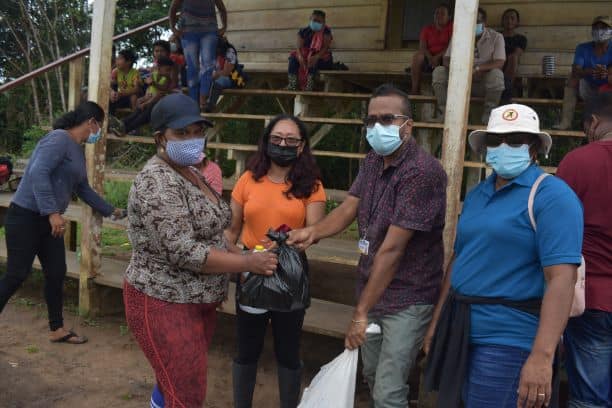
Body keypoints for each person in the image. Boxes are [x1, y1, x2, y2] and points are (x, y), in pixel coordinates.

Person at [288, 84, 447, 407]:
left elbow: (392, 250)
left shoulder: (422, 172)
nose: (377, 127)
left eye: (387, 119)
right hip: (373, 290)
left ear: (408, 125)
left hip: (408, 296)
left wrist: (360, 313)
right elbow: (349, 207)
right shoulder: (374, 159)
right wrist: (314, 232)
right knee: (374, 376)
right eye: (371, 120)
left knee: (388, 390)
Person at [423, 104, 584, 408]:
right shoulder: (478, 194)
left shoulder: (552, 196)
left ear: (535, 148)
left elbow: (562, 278)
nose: (503, 147)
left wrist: (542, 356)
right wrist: (436, 325)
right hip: (460, 331)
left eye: (516, 140)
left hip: (509, 339)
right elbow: (459, 259)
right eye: (495, 141)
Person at [123, 93, 278, 408]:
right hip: (164, 300)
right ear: (160, 138)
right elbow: (184, 251)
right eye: (182, 133)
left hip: (195, 299)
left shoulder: (191, 171)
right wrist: (247, 262)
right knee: (186, 394)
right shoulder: (157, 182)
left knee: (172, 383)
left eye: (197, 131)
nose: (193, 139)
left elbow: (214, 234)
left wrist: (237, 262)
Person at [0, 102, 125, 344]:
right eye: (100, 126)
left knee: (56, 272)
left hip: (48, 222)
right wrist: (53, 212)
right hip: (26, 217)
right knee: (16, 275)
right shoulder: (58, 139)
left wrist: (111, 210)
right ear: (91, 122)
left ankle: (56, 329)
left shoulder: (76, 151)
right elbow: (38, 173)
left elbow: (82, 189)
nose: (99, 132)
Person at [225, 114, 327, 408]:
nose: (283, 144)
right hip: (251, 270)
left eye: (291, 140)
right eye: (277, 139)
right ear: (267, 141)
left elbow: (314, 231)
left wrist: (291, 238)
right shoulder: (248, 179)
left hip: (290, 275)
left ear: (301, 146)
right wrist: (239, 261)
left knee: (288, 351)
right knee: (247, 349)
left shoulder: (311, 185)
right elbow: (231, 230)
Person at [556, 93, 612, 408]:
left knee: (590, 399)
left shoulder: (578, 161)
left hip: (592, 297)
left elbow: (556, 231)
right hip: (594, 298)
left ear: (593, 123)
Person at [432, 7, 506, 124]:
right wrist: (458, 70)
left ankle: (488, 116)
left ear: (484, 23)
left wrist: (477, 69)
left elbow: (500, 62)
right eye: (471, 21)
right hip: (459, 84)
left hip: (482, 84)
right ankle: (445, 113)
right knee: (439, 72)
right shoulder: (459, 35)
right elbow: (446, 59)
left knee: (497, 75)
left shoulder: (496, 37)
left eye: (477, 22)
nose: (473, 24)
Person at [555, 16, 612, 130]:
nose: (599, 31)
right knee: (572, 78)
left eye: (604, 28)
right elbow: (576, 70)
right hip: (588, 87)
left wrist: (607, 73)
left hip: (608, 89)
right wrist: (593, 71)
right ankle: (565, 122)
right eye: (596, 28)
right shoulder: (583, 48)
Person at [169, 0, 228, 110]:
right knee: (192, 68)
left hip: (209, 31)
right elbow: (173, 8)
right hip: (188, 32)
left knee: (208, 65)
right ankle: (193, 103)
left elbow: (221, 8)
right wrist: (173, 28)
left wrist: (224, 26)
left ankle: (203, 100)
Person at [109, 57, 175, 136]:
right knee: (138, 111)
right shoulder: (153, 75)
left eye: (170, 70)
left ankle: (125, 128)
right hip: (151, 102)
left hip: (158, 105)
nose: (169, 72)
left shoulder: (167, 79)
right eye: (167, 70)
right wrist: (144, 99)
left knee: (145, 113)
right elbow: (149, 90)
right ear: (159, 68)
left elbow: (160, 92)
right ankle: (121, 123)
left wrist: (146, 102)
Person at [410, 4, 452, 95]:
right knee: (417, 57)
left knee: (447, 55)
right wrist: (430, 58)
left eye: (442, 13)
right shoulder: (427, 29)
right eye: (437, 13)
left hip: (444, 57)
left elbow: (451, 46)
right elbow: (422, 47)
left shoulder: (452, 28)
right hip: (429, 59)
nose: (439, 15)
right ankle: (415, 90)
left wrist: (437, 57)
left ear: (449, 17)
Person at [287, 10, 333, 91]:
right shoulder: (303, 31)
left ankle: (309, 85)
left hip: (321, 57)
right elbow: (298, 47)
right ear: (310, 19)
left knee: (312, 60)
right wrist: (300, 57)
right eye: (314, 20)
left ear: (323, 22)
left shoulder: (326, 31)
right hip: (305, 56)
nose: (316, 23)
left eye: (319, 21)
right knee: (293, 59)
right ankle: (292, 84)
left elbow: (325, 47)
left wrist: (317, 56)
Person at [206, 35, 245, 111]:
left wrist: (215, 74)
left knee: (218, 82)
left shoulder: (230, 52)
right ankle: (201, 104)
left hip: (232, 78)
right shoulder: (213, 52)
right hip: (218, 75)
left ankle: (211, 105)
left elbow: (226, 72)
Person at [500, 8, 527, 103]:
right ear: (502, 21)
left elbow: (517, 54)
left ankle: (506, 85)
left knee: (513, 57)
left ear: (517, 22)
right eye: (506, 18)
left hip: (510, 68)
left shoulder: (521, 38)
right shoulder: (496, 36)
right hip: (496, 65)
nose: (509, 21)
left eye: (512, 18)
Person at [110, 49, 141, 114]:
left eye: (120, 59)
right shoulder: (116, 71)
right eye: (117, 58)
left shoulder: (135, 73)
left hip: (128, 96)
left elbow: (136, 89)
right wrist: (112, 92)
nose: (117, 61)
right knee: (111, 96)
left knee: (134, 97)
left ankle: (134, 114)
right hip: (119, 95)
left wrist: (122, 94)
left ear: (128, 62)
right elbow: (110, 84)